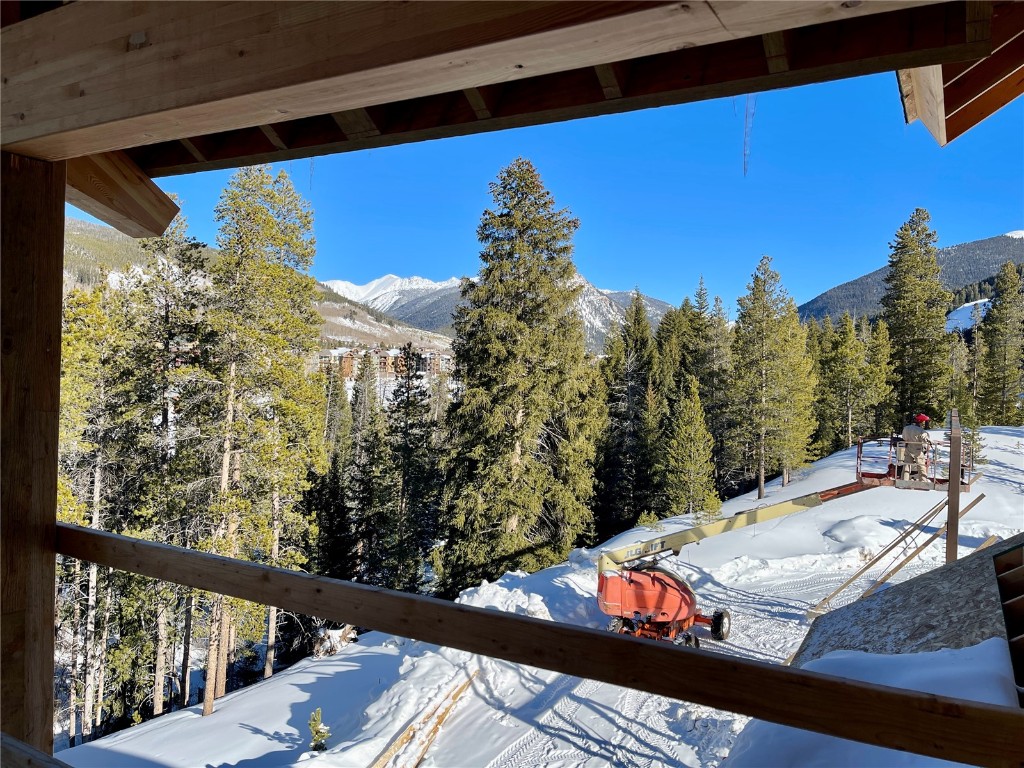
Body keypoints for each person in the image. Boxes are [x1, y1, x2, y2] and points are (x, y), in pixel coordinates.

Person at [901, 413, 933, 480]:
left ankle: (904, 480)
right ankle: (923, 481)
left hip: (908, 448)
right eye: (923, 422)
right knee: (921, 466)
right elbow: (925, 439)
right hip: (917, 450)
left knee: (906, 465)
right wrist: (930, 442)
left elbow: (904, 437)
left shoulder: (906, 428)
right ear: (920, 422)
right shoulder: (921, 431)